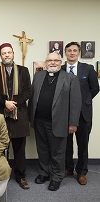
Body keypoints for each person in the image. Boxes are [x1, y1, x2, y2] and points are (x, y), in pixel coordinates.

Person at [29, 52, 82, 191]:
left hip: (59, 122)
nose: (52, 63)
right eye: (49, 60)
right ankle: (44, 173)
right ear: (45, 62)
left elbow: (75, 103)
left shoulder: (70, 78)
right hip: (39, 120)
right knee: (43, 149)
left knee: (57, 152)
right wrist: (31, 118)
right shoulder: (39, 76)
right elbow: (33, 97)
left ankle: (56, 177)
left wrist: (73, 123)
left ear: (61, 62)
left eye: (56, 61)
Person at [0, 43, 31, 189]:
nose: (6, 55)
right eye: (4, 53)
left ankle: (20, 176)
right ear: (0, 56)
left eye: (9, 52)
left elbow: (28, 91)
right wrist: (5, 102)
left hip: (20, 116)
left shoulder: (24, 71)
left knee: (19, 149)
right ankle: (1, 174)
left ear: (13, 54)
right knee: (0, 147)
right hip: (1, 115)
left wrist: (14, 103)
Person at [61, 41, 99, 185]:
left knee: (83, 144)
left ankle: (82, 172)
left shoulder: (88, 69)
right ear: (65, 53)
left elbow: (95, 88)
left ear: (78, 53)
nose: (72, 53)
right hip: (64, 113)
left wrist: (84, 102)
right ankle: (68, 168)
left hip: (84, 114)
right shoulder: (61, 69)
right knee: (66, 144)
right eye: (69, 50)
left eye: (75, 50)